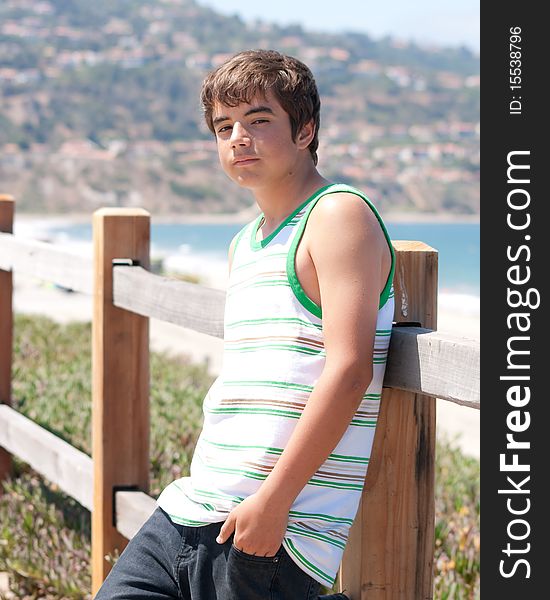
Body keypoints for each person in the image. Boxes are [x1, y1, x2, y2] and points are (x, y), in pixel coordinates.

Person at [95, 49, 395, 600]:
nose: (238, 137)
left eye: (259, 120)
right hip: (189, 506)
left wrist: (274, 502)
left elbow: (350, 370)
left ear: (305, 130)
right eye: (224, 126)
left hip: (274, 528)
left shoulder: (337, 214)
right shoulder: (246, 241)